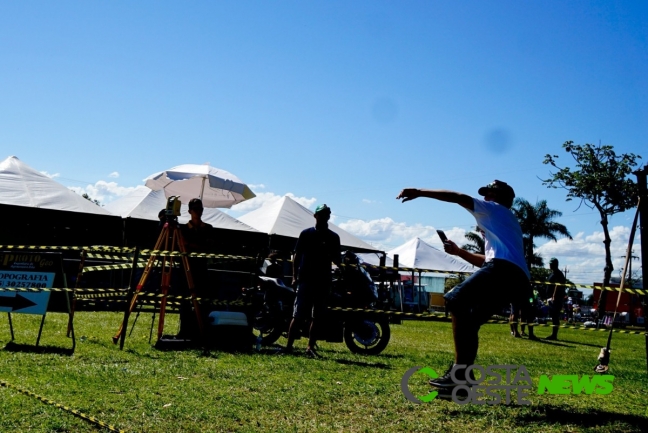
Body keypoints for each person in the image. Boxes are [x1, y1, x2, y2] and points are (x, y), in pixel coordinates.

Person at [397, 180, 533, 398]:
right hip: (516, 279)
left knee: (454, 299)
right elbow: (487, 261)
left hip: (504, 271)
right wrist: (459, 252)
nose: (485, 198)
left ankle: (459, 375)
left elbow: (459, 197)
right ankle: (460, 386)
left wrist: (420, 192)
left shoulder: (495, 209)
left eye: (488, 194)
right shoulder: (505, 225)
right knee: (471, 321)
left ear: (498, 198)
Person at [277, 204, 341, 358]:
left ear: (329, 216)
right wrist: (294, 277)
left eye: (327, 214)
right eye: (321, 213)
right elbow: (297, 256)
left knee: (317, 317)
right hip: (305, 279)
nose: (324, 216)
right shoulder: (306, 234)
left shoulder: (333, 237)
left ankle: (310, 348)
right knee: (298, 315)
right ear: (315, 216)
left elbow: (337, 258)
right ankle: (289, 347)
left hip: (323, 281)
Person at [176, 198, 215, 339]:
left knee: (203, 301)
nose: (199, 211)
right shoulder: (182, 229)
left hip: (201, 269)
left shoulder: (208, 229)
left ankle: (201, 330)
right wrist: (196, 245)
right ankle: (185, 330)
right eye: (196, 209)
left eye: (201, 208)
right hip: (186, 269)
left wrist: (191, 245)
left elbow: (209, 248)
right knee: (185, 302)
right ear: (190, 211)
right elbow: (181, 246)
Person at [546, 257, 566, 340]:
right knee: (553, 316)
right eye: (550, 263)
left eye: (552, 264)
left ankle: (554, 335)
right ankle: (553, 334)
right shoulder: (552, 273)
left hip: (556, 299)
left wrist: (554, 296)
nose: (550, 265)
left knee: (555, 316)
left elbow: (558, 286)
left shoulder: (559, 274)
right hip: (550, 298)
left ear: (555, 264)